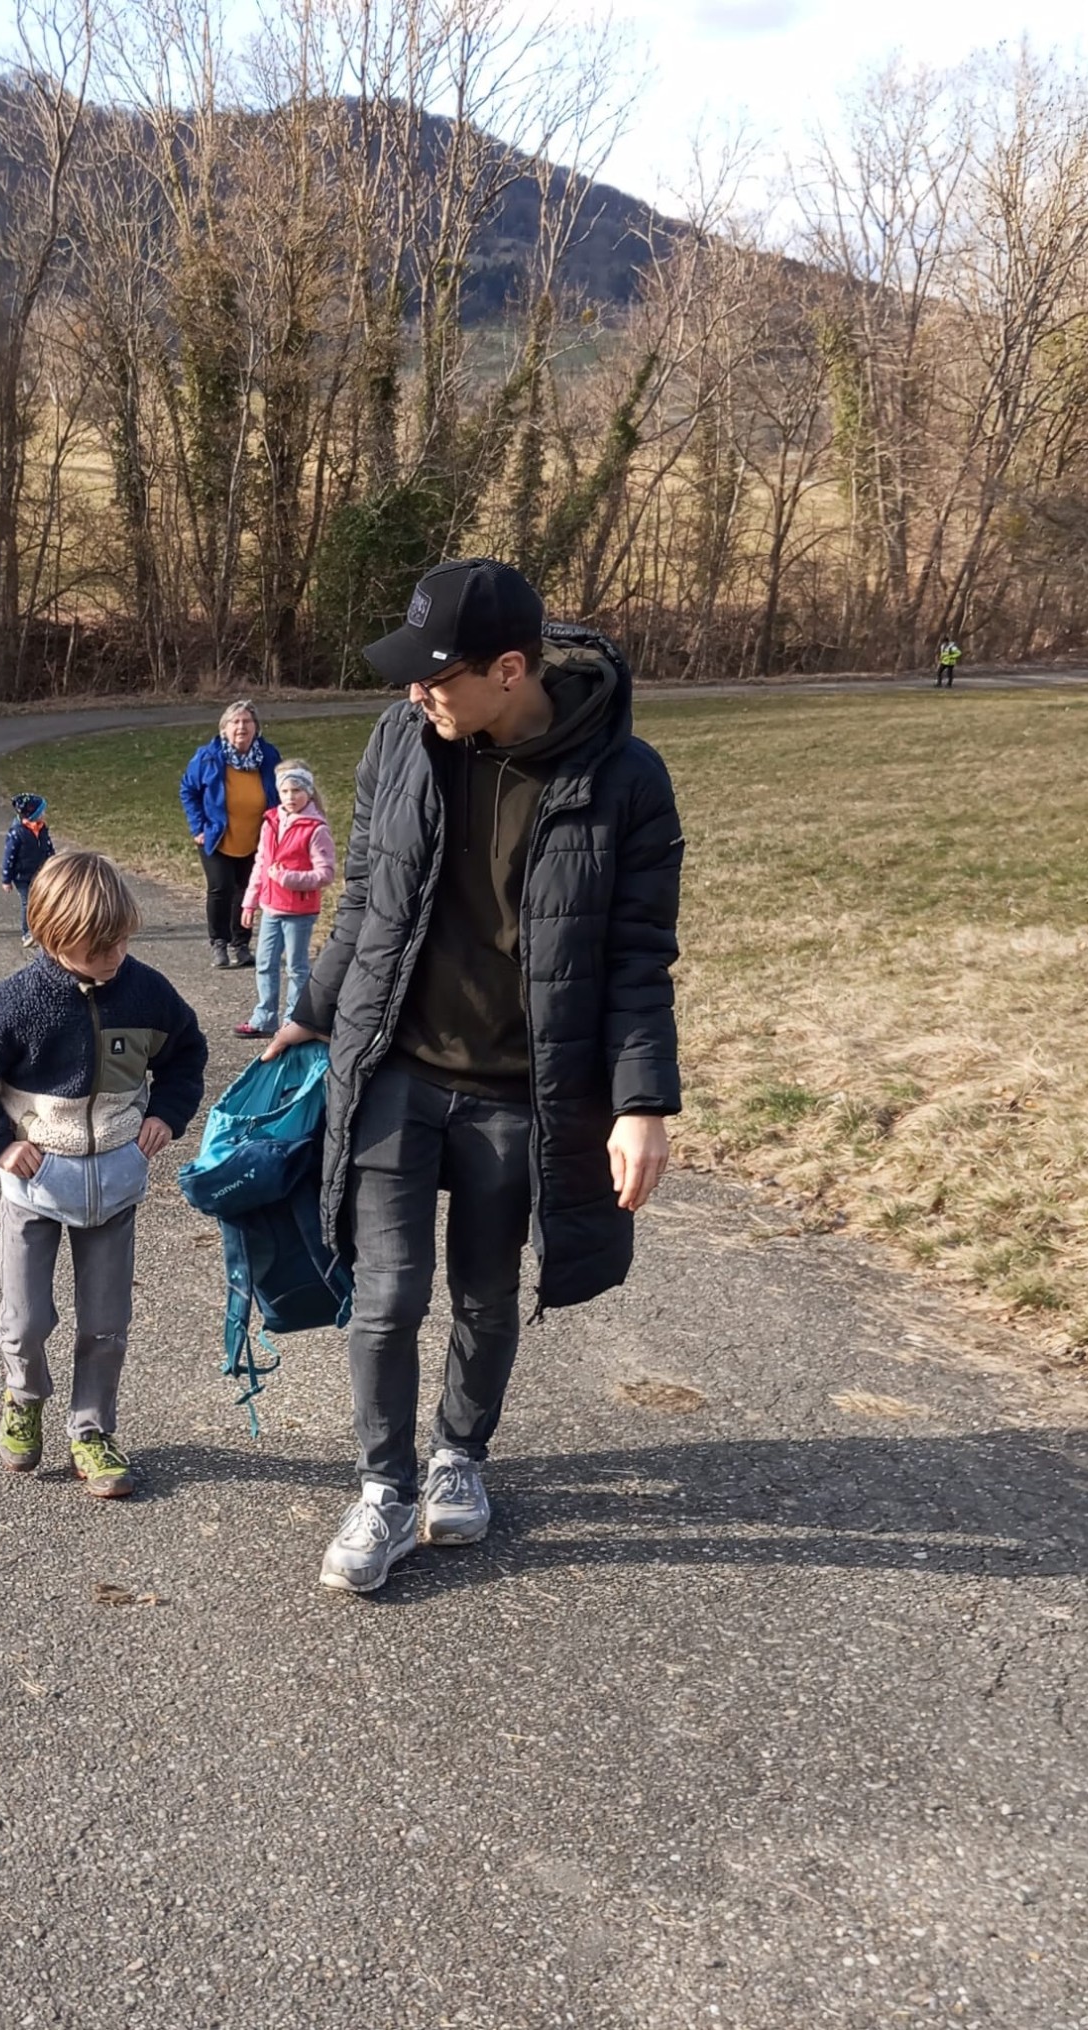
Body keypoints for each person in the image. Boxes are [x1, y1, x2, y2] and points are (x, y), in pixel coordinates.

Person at [262, 557, 684, 1594]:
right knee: (386, 1294)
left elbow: (636, 956)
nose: (417, 692)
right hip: (397, 1070)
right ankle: (382, 1486)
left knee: (487, 1295)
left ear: (508, 669)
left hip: (517, 1091)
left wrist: (640, 1102)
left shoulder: (626, 780)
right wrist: (312, 1008)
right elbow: (368, 893)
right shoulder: (400, 740)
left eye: (436, 674)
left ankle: (458, 1453)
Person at [0, 852, 208, 1499]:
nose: (113, 957)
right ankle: (23, 1395)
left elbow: (187, 1054)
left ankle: (92, 1430)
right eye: (96, 948)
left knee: (106, 1322)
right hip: (33, 1189)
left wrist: (166, 1114)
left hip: (114, 1185)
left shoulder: (147, 993)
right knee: (26, 1319)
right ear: (51, 937)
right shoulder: (17, 1004)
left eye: (120, 941)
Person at [235, 760, 335, 1042]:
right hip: (271, 907)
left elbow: (325, 873)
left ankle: (294, 1019)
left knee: (296, 967)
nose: (290, 797)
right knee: (265, 963)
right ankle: (264, 1017)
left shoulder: (316, 828)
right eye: (285, 791)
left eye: (297, 790)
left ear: (308, 792)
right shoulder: (271, 822)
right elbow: (261, 863)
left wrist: (289, 878)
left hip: (299, 911)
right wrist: (249, 901)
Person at [179, 700, 281, 970]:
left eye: (247, 721)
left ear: (256, 727)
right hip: (216, 835)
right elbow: (188, 790)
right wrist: (198, 827)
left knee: (246, 890)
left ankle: (241, 945)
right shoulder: (208, 756)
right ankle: (219, 943)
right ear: (224, 728)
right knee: (221, 887)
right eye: (235, 722)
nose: (241, 727)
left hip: (256, 837)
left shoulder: (269, 756)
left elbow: (281, 789)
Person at [0, 793, 56, 948]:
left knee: (42, 901)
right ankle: (27, 932)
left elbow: (48, 848)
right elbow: (9, 857)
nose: (44, 814)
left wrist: (53, 863)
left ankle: (41, 929)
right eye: (41, 812)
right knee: (29, 903)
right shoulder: (17, 832)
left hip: (39, 874)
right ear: (33, 814)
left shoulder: (42, 828)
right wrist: (6, 879)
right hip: (22, 876)